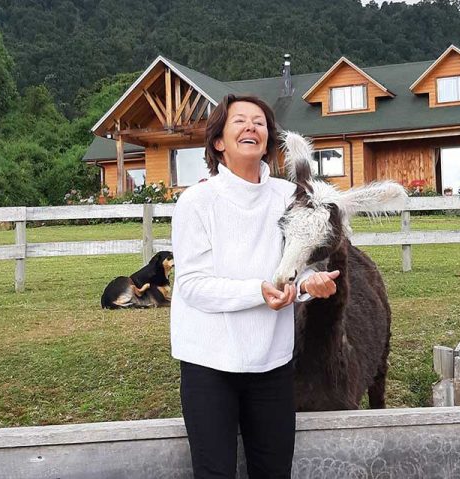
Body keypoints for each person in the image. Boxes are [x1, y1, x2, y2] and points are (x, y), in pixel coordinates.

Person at [170, 94, 339, 478]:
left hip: (272, 364)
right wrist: (257, 292)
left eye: (259, 122)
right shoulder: (197, 202)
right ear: (218, 141)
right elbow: (192, 285)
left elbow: (299, 266)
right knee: (215, 472)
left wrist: (311, 284)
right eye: (240, 121)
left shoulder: (289, 196)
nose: (251, 127)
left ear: (268, 141)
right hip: (209, 365)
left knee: (274, 471)